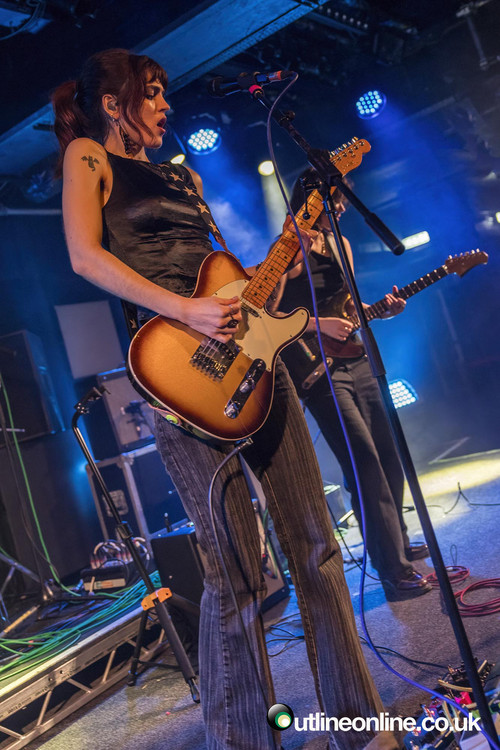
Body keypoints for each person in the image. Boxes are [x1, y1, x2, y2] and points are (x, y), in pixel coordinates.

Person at [52, 49, 399, 750]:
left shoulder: (187, 178)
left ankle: (357, 726)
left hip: (251, 361)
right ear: (113, 103)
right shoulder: (87, 156)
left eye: (164, 92)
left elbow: (227, 279)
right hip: (178, 374)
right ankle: (241, 740)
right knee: (235, 570)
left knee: (317, 547)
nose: (165, 104)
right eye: (152, 92)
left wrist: (283, 260)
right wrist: (183, 310)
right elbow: (85, 258)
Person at [276, 169, 431, 601]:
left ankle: (397, 542)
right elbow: (268, 312)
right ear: (310, 201)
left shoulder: (341, 244)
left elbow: (346, 304)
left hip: (357, 360)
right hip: (315, 368)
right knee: (363, 461)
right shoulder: (289, 247)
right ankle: (392, 571)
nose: (341, 206)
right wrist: (318, 322)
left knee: (388, 454)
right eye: (334, 198)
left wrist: (381, 309)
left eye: (342, 198)